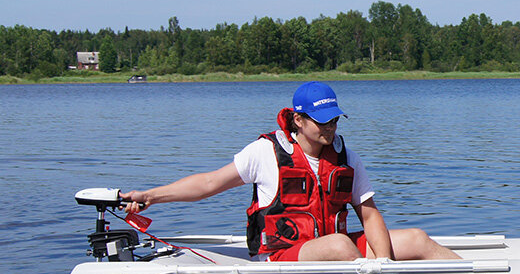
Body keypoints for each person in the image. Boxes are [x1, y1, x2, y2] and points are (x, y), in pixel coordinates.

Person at [122, 82, 459, 262]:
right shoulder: (266, 153)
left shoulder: (347, 158)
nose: (330, 128)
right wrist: (149, 196)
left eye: (335, 120)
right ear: (298, 120)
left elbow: (369, 216)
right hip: (286, 254)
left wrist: (383, 264)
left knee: (416, 238)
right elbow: (209, 183)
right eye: (322, 121)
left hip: (334, 248)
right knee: (341, 246)